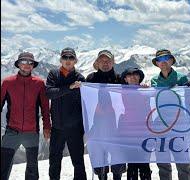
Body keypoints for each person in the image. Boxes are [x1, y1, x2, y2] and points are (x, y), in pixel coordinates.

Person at [1, 52, 51, 180]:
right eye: (24, 61)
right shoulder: (7, 82)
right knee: (3, 166)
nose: (27, 65)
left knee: (32, 169)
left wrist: (47, 126)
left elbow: (45, 107)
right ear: (18, 64)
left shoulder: (39, 84)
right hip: (12, 131)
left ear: (33, 66)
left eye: (30, 62)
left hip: (32, 132)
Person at [46, 47, 87, 180]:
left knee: (78, 162)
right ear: (60, 60)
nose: (68, 60)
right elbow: (49, 93)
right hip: (57, 127)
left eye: (71, 58)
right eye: (65, 57)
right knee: (54, 161)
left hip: (75, 128)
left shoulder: (80, 78)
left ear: (75, 60)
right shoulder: (53, 74)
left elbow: (86, 101)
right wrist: (69, 88)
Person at [151, 49, 190, 180]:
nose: (163, 62)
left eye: (166, 58)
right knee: (162, 161)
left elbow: (189, 99)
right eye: (159, 60)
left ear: (171, 60)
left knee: (182, 162)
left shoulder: (182, 78)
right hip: (160, 124)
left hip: (178, 123)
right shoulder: (153, 81)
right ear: (157, 63)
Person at [86, 50, 126, 180]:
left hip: (116, 128)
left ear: (113, 62)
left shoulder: (119, 79)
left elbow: (129, 96)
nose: (105, 63)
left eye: (108, 61)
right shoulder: (91, 79)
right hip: (97, 128)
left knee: (117, 165)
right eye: (102, 61)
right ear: (97, 63)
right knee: (100, 165)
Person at [120, 67, 152, 180]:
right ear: (125, 79)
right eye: (129, 75)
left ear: (140, 77)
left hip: (145, 134)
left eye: (135, 74)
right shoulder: (120, 92)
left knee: (144, 164)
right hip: (128, 135)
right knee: (132, 165)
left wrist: (147, 91)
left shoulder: (146, 91)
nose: (133, 77)